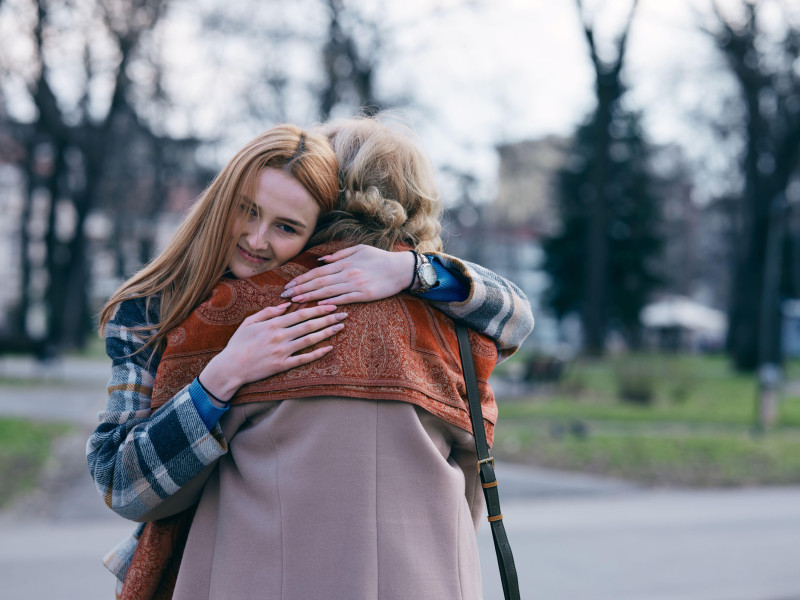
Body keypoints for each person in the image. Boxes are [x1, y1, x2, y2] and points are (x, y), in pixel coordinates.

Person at [89, 117, 533, 597]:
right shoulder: (154, 311)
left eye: (286, 226)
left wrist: (411, 269)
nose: (258, 240)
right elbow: (121, 481)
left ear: (322, 218)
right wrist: (220, 377)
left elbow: (519, 316)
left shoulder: (403, 296)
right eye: (247, 211)